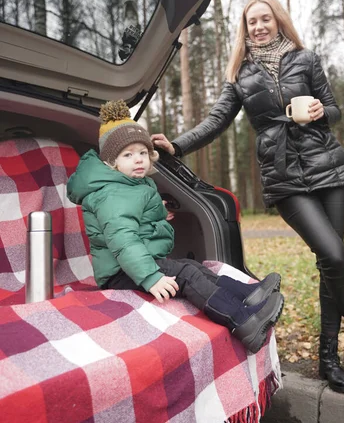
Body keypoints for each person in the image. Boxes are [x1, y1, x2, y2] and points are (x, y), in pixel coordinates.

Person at [151, 0, 344, 394]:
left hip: (330, 169)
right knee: (334, 254)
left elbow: (335, 108)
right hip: (284, 176)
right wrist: (178, 145)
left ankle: (329, 354)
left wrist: (322, 111)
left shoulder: (305, 59)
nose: (258, 26)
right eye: (251, 21)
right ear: (245, 28)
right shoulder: (241, 74)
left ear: (278, 21)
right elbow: (217, 120)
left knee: (331, 263)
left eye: (264, 19)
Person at [66, 100, 284, 355]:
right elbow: (123, 240)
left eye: (142, 153)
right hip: (121, 273)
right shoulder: (111, 193)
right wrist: (150, 277)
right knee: (188, 274)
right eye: (128, 154)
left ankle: (249, 294)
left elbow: (135, 218)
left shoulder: (128, 184)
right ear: (111, 162)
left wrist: (157, 214)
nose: (138, 159)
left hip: (138, 262)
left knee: (192, 267)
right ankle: (243, 322)